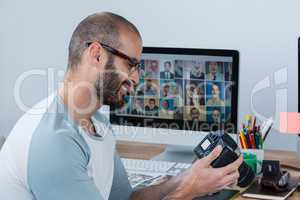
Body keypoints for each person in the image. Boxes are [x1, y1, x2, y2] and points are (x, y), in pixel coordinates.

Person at [0, 12, 242, 200]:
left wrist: (186, 179)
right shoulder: (54, 141)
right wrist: (187, 192)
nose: (136, 78)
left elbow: (124, 198)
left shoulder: (97, 125)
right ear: (96, 55)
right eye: (131, 64)